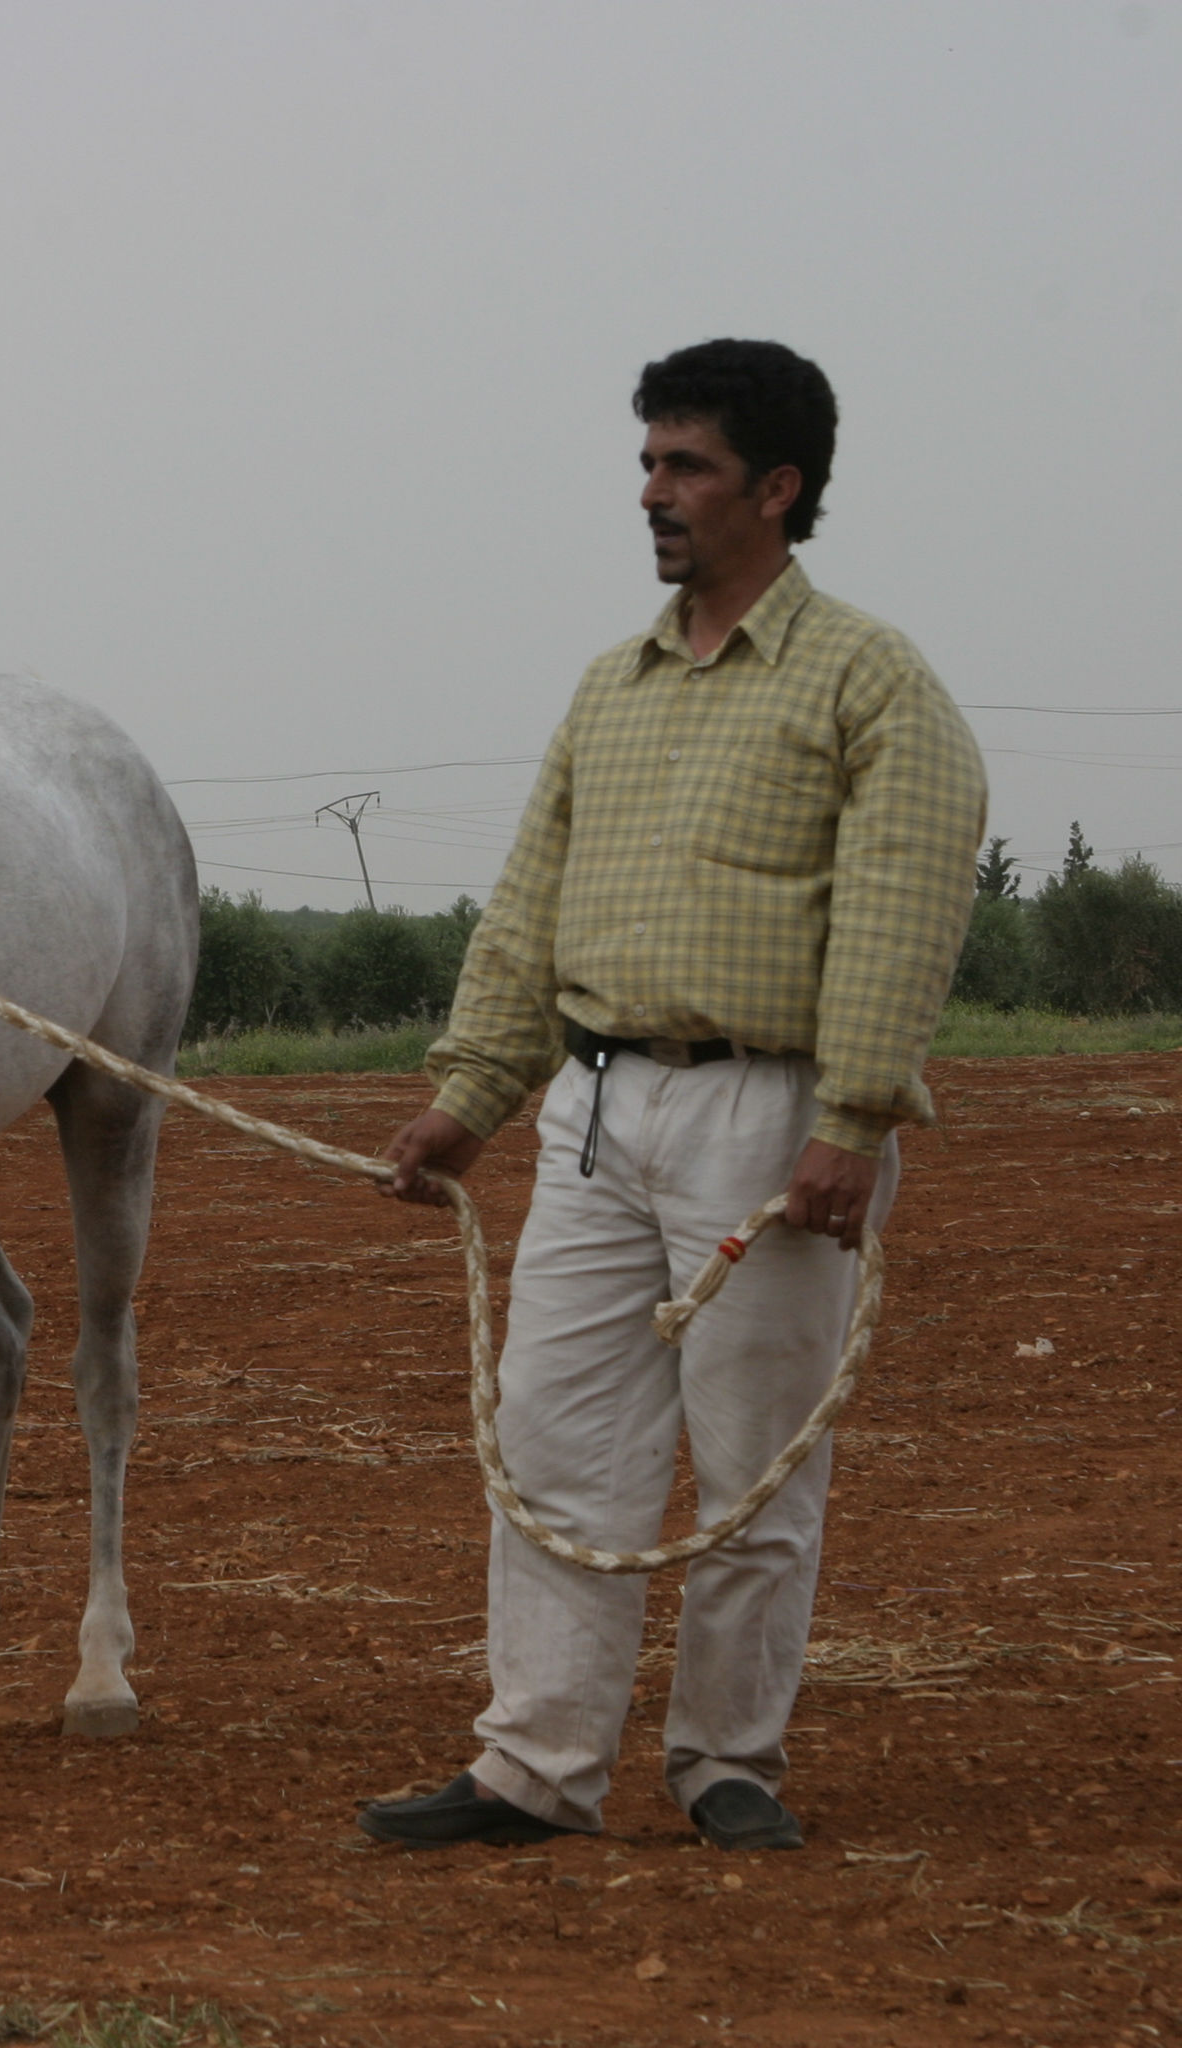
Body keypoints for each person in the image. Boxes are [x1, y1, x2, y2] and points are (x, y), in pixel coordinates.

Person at [360, 340, 986, 1853]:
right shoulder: (611, 686)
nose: (653, 491)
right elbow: (529, 908)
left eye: (686, 465)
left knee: (754, 1457)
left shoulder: (871, 679)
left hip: (770, 1119)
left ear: (776, 489)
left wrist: (853, 1119)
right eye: (648, 462)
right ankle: (537, 1765)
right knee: (553, 1441)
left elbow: (904, 905)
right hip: (594, 1109)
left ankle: (727, 1762)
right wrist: (471, 1096)